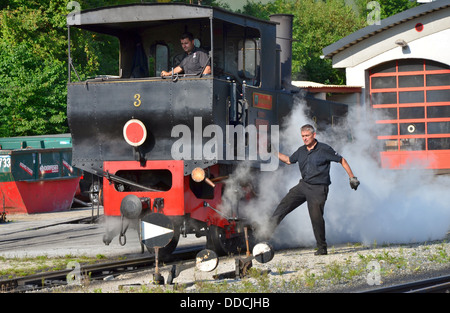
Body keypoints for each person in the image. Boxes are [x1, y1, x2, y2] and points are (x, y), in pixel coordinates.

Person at [268, 124, 360, 255]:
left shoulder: (324, 149)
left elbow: (342, 160)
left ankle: (322, 248)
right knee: (284, 204)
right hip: (304, 185)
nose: (304, 138)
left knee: (316, 217)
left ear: (314, 135)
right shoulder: (301, 151)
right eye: (303, 136)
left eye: (307, 136)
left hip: (319, 188)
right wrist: (274, 152)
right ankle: (266, 231)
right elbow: (289, 160)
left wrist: (352, 177)